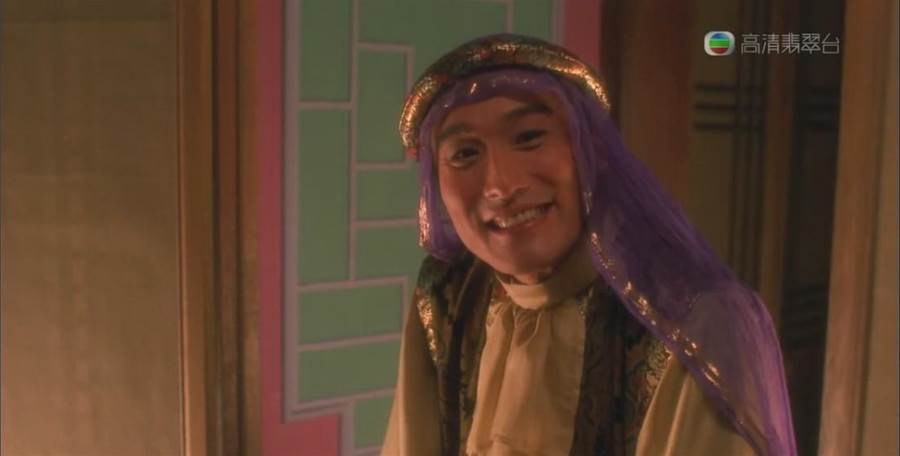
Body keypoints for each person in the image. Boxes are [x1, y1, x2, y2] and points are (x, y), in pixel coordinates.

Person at [382, 34, 796, 456]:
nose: (502, 186)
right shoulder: (448, 295)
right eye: (465, 154)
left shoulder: (693, 321)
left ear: (588, 149)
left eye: (529, 137)